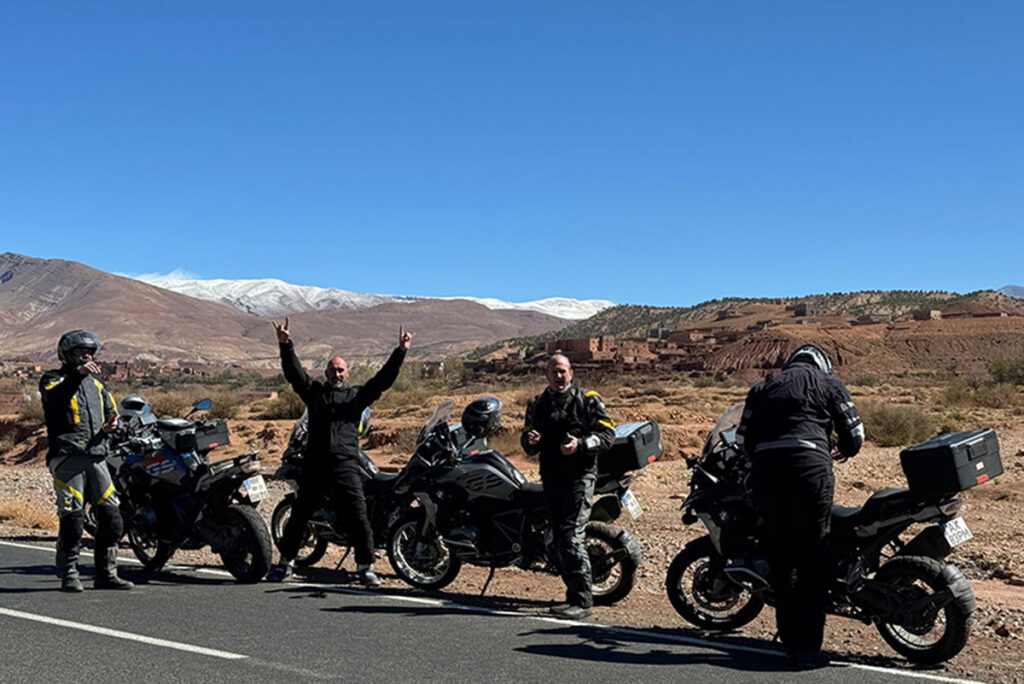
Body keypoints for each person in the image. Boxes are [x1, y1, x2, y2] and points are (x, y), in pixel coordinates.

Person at [736, 344, 864, 668]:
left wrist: (762, 459)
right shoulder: (829, 384)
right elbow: (855, 434)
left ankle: (790, 639)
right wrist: (845, 449)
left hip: (768, 473)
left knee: (780, 558)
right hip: (811, 470)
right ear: (822, 365)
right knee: (813, 554)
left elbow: (743, 440)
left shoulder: (762, 387)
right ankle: (808, 648)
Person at [268, 318, 413, 587]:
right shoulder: (315, 394)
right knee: (300, 514)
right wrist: (285, 345)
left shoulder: (356, 398)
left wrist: (400, 351)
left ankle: (365, 567)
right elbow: (294, 374)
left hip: (346, 463)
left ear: (348, 374)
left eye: (341, 370)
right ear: (326, 373)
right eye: (333, 370)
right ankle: (285, 562)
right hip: (315, 464)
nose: (337, 374)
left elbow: (381, 381)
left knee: (359, 513)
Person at [521, 354, 615, 619]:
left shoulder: (588, 400)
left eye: (562, 371)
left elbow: (608, 436)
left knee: (571, 536)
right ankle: (572, 595)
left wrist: (581, 445)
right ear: (547, 375)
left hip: (580, 477)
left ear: (571, 373)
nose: (558, 376)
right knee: (558, 538)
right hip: (551, 478)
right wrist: (532, 440)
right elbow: (526, 445)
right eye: (553, 372)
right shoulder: (537, 403)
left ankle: (582, 602)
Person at [40, 330, 134, 592]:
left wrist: (112, 424)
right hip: (68, 458)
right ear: (66, 355)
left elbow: (112, 413)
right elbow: (55, 398)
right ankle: (69, 573)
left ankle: (106, 574)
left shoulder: (98, 385)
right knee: (72, 519)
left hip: (97, 456)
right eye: (80, 352)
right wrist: (77, 374)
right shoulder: (52, 379)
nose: (86, 356)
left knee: (112, 518)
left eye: (89, 352)